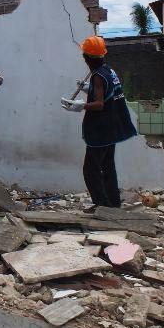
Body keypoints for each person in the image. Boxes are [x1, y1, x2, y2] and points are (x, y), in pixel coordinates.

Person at [61, 36, 137, 212]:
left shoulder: (97, 76)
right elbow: (108, 92)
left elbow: (100, 104)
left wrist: (80, 106)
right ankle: (113, 204)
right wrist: (89, 88)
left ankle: (102, 206)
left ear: (86, 58)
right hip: (113, 127)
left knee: (90, 170)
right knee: (107, 166)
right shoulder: (108, 71)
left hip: (101, 130)